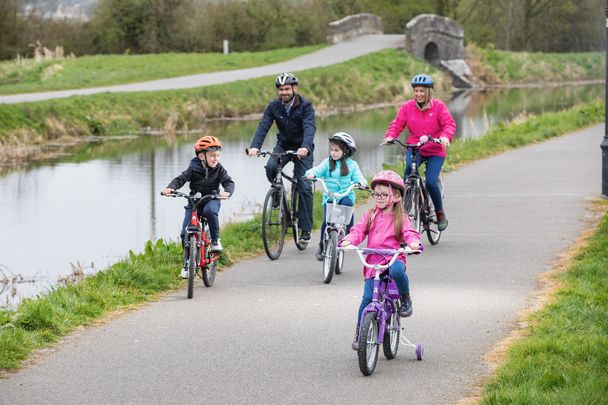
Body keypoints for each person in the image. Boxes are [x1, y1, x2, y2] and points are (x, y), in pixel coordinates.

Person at [341, 170, 421, 350]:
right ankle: (360, 331)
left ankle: (405, 297)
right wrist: (349, 240)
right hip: (374, 262)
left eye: (384, 194)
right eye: (376, 194)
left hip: (393, 259)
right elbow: (358, 230)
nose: (379, 197)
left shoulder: (401, 217)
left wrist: (414, 243)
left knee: (397, 271)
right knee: (367, 298)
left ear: (396, 196)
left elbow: (409, 233)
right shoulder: (370, 215)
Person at [247, 72, 315, 244]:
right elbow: (264, 125)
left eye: (287, 89)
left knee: (305, 185)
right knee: (270, 167)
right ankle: (278, 192)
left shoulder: (305, 105)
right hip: (283, 145)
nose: (284, 92)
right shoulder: (273, 106)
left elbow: (309, 127)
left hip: (302, 148)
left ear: (294, 88)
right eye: (281, 89)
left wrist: (305, 147)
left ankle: (305, 229)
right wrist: (255, 146)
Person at [384, 73, 455, 231]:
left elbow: (449, 124)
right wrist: (390, 136)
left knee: (430, 181)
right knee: (409, 171)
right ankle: (404, 206)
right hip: (415, 148)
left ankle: (439, 212)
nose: (419, 94)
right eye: (416, 91)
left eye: (422, 91)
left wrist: (445, 137)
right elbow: (397, 124)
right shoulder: (407, 107)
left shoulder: (439, 107)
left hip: (435, 149)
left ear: (429, 92)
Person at [161, 135, 234, 278]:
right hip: (195, 201)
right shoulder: (193, 168)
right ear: (201, 156)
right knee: (185, 233)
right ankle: (188, 263)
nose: (216, 159)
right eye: (212, 156)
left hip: (212, 198)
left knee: (210, 211)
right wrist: (170, 188)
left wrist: (227, 192)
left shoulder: (219, 169)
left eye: (217, 156)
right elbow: (180, 179)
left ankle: (215, 240)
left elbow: (229, 182)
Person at [304, 132, 367, 261]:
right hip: (330, 197)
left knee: (348, 205)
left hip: (345, 195)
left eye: (336, 150)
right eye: (332, 150)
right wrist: (310, 174)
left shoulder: (352, 165)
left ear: (345, 151)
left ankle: (349, 232)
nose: (333, 153)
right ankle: (322, 246)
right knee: (327, 221)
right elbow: (317, 170)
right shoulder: (327, 163)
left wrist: (362, 183)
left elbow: (359, 177)